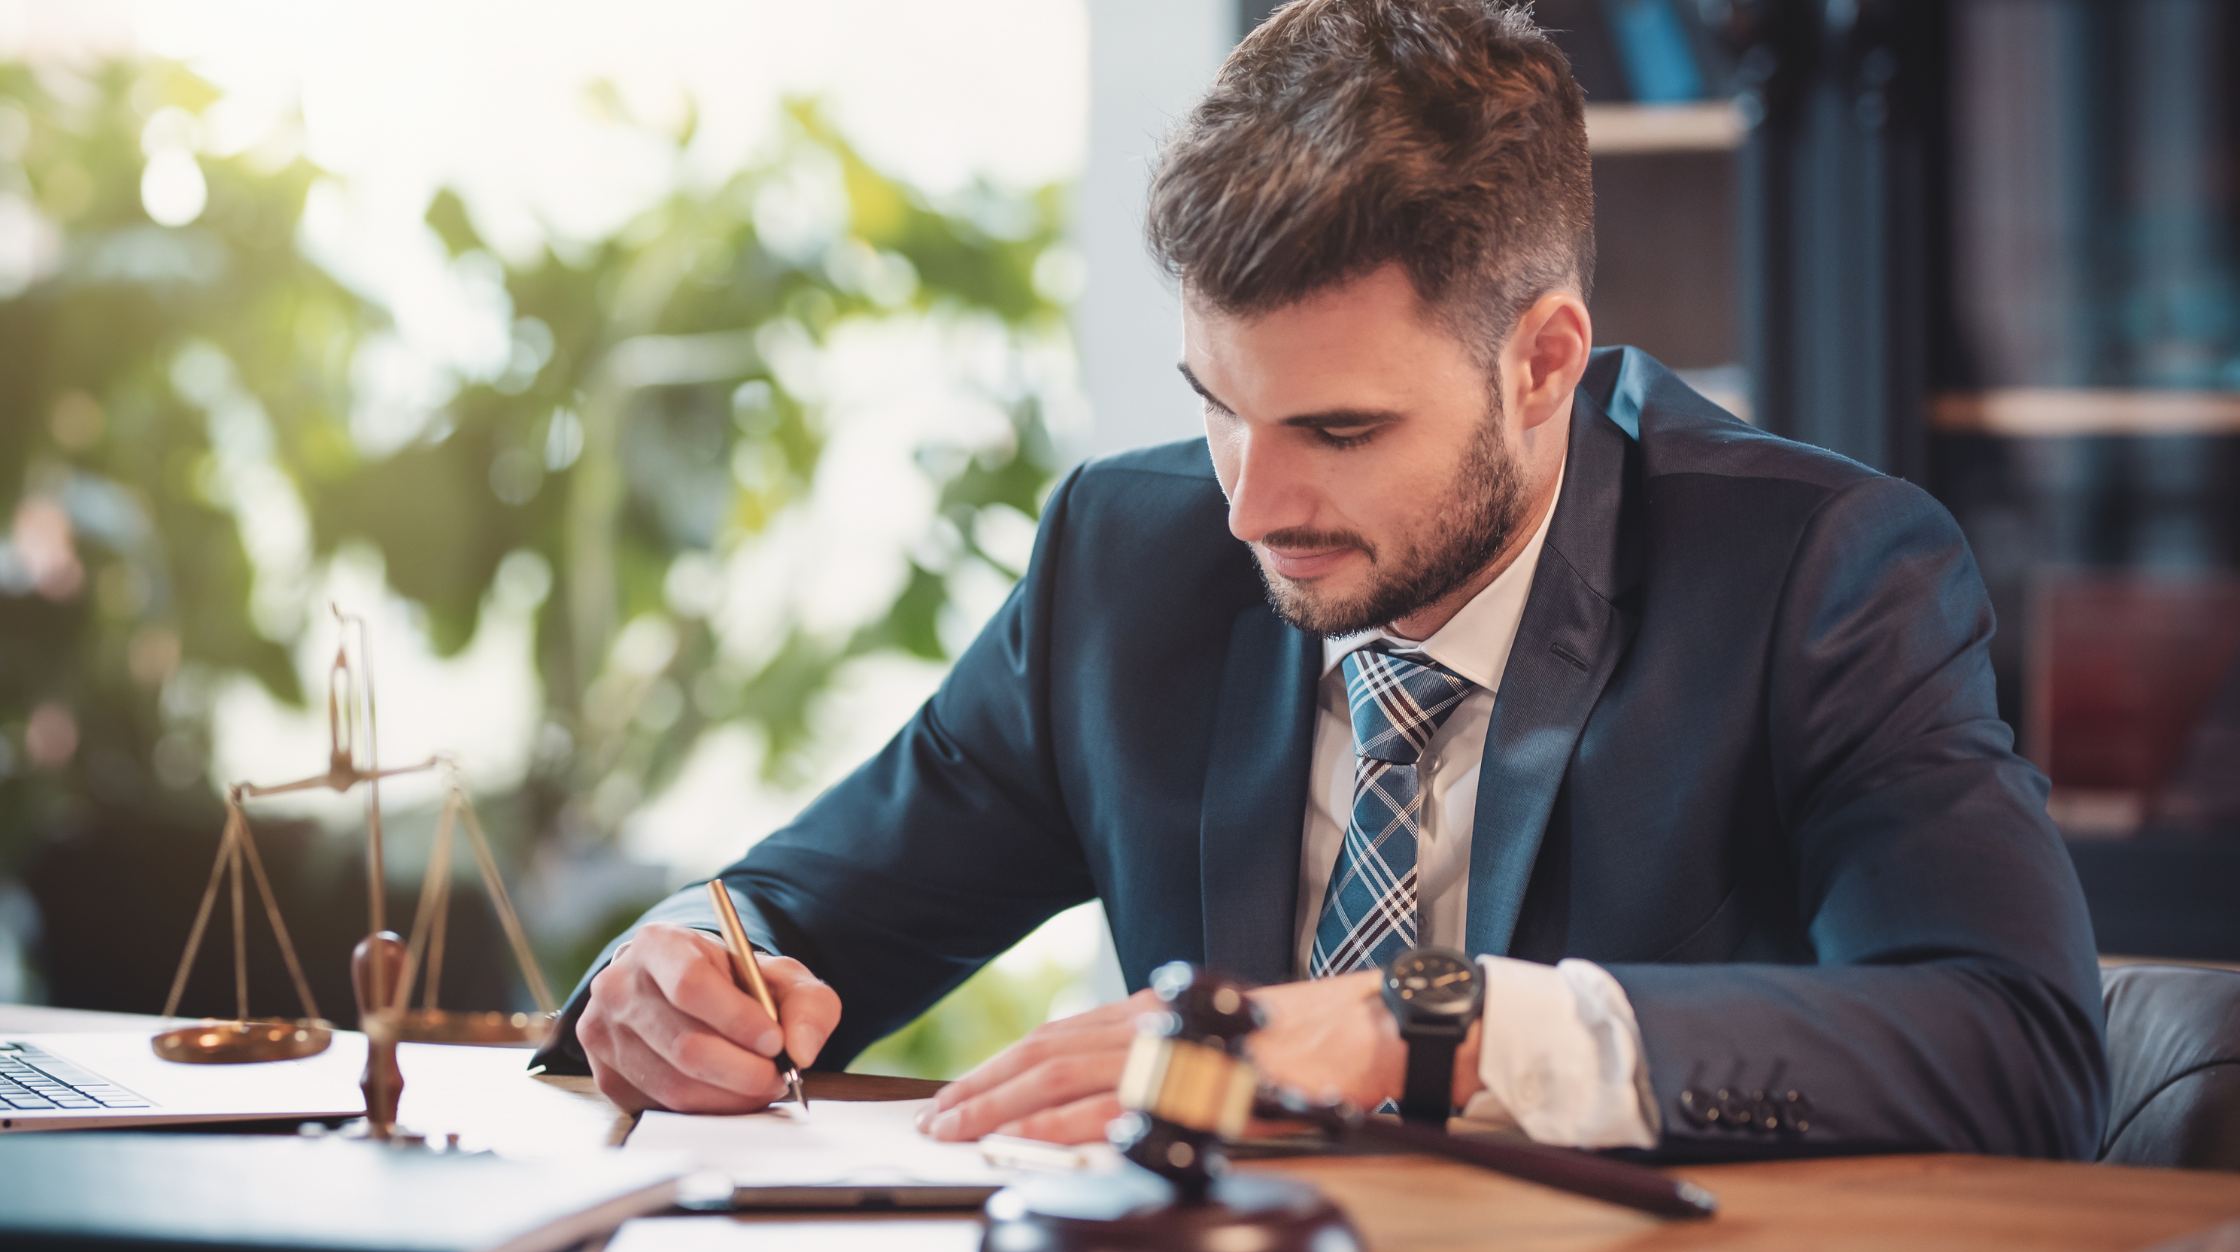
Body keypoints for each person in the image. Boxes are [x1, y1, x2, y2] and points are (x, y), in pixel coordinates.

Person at [531, 0, 2107, 1159]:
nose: (1252, 505)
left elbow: (2016, 1046)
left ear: (1544, 361)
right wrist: (673, 972)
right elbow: (802, 915)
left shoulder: (1814, 577)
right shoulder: (1125, 563)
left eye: (1341, 428)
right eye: (1218, 408)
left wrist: (1422, 1027)